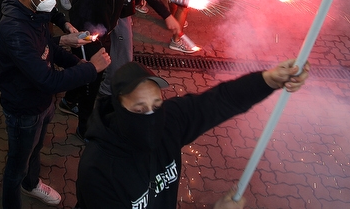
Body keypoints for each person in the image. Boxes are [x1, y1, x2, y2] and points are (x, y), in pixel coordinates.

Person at [76, 60, 310, 209]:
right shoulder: (98, 169)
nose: (150, 116)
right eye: (138, 110)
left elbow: (219, 101)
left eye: (156, 105)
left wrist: (266, 81)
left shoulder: (169, 122)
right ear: (119, 108)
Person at [0, 0, 109, 209]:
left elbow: (47, 46)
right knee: (16, 165)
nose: (53, 1)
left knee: (34, 150)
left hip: (42, 104)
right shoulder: (15, 29)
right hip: (23, 108)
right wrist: (91, 69)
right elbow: (46, 79)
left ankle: (31, 183)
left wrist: (76, 64)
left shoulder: (35, 14)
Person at [64, 0, 170, 138]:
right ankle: (84, 128)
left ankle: (68, 100)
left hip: (107, 31)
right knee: (91, 80)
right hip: (86, 35)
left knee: (96, 74)